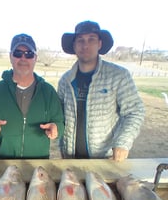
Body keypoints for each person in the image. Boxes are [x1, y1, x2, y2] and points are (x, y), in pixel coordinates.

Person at [58, 21, 145, 162]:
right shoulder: (65, 81)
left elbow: (134, 112)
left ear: (99, 44)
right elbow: (59, 117)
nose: (85, 45)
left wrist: (123, 142)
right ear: (74, 46)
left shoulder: (118, 75)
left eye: (91, 39)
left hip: (105, 159)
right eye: (80, 40)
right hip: (71, 159)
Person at [0, 34, 64, 159]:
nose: (23, 58)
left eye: (29, 53)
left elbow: (60, 123)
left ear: (35, 57)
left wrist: (56, 129)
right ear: (10, 56)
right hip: (5, 164)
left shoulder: (48, 92)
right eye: (18, 53)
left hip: (38, 166)